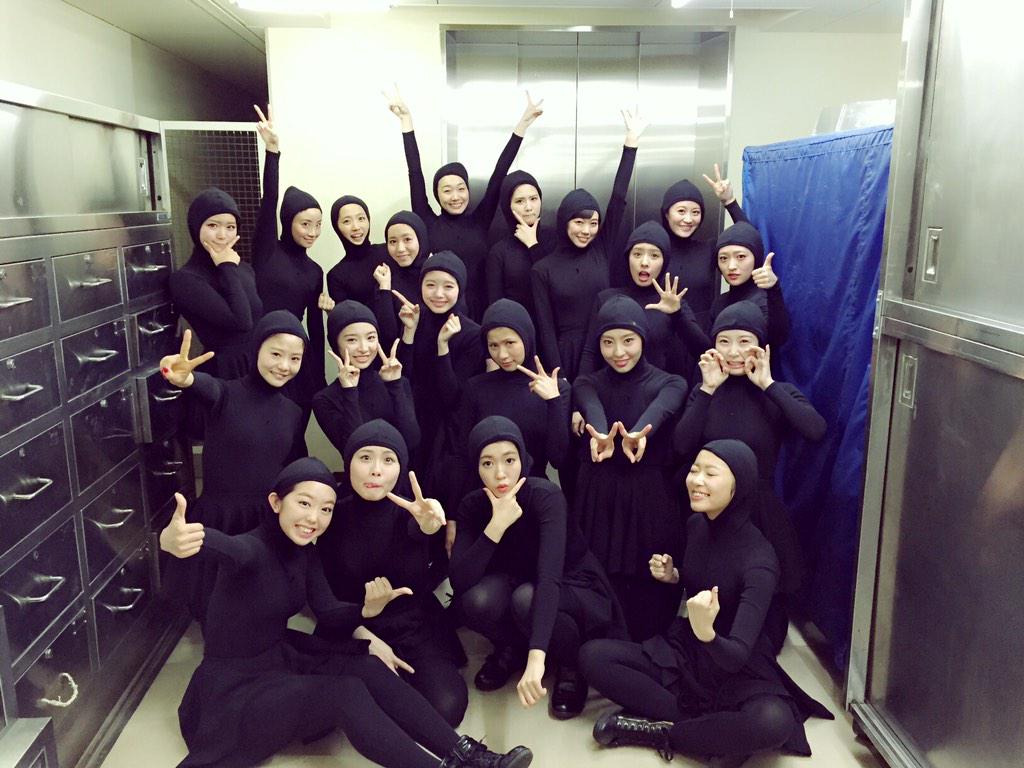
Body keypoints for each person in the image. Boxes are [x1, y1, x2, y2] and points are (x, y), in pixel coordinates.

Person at [160, 457, 533, 768]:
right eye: (304, 503)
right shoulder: (250, 549)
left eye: (325, 509)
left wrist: (366, 610)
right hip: (232, 696)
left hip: (279, 661)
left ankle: (468, 755)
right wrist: (171, 539)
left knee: (366, 665)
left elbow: (329, 613)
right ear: (276, 502)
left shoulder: (304, 552)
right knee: (344, 693)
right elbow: (215, 545)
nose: (314, 518)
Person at [579, 440, 832, 765]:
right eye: (694, 470)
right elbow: (712, 576)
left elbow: (737, 655)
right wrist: (675, 576)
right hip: (689, 652)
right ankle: (712, 732)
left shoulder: (760, 560)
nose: (696, 480)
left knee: (773, 721)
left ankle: (659, 733)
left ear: (738, 487)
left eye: (710, 474)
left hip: (738, 664)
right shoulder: (696, 525)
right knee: (592, 656)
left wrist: (707, 633)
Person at [672, 301, 826, 652]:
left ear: (761, 346)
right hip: (711, 515)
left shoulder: (773, 391)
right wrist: (707, 390)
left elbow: (815, 430)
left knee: (763, 637)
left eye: (744, 341)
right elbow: (681, 445)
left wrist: (768, 384)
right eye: (724, 342)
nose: (734, 352)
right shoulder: (704, 390)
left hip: (760, 516)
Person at [449, 416, 627, 720]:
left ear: (522, 458)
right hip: (517, 579)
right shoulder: (472, 505)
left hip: (570, 582)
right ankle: (512, 647)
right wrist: (496, 527)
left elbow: (549, 578)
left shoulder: (545, 496)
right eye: (488, 463)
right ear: (476, 467)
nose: (500, 473)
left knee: (526, 599)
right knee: (476, 601)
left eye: (509, 460)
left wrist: (537, 659)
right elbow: (460, 581)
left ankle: (569, 664)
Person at [158, 310, 308, 624]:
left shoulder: (293, 412)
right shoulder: (225, 394)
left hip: (263, 520)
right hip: (220, 517)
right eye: (276, 354)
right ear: (257, 350)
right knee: (213, 606)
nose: (284, 365)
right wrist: (182, 377)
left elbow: (291, 465)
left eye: (294, 358)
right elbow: (198, 383)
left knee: (258, 605)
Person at [316, 420, 467, 726]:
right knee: (339, 711)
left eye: (388, 460)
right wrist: (362, 633)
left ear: (401, 468)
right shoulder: (330, 516)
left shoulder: (414, 514)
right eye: (365, 458)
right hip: (353, 625)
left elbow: (426, 539)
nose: (376, 470)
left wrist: (430, 528)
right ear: (349, 462)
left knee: (447, 707)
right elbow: (323, 596)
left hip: (412, 624)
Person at [572, 295, 687, 641]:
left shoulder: (671, 382)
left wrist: (638, 433)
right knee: (599, 578)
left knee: (647, 586)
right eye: (608, 342)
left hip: (649, 497)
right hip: (599, 495)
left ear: (643, 339)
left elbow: (662, 408)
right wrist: (601, 434)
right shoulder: (587, 382)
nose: (618, 351)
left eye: (628, 340)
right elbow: (591, 405)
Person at [385, 87, 545, 320]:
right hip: (440, 311)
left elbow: (499, 173)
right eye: (447, 190)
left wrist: (522, 125)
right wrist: (406, 121)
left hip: (481, 311)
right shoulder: (427, 222)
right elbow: (415, 173)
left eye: (461, 188)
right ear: (437, 195)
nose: (455, 196)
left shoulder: (480, 220)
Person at [530, 109, 646, 384]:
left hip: (608, 349)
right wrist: (559, 375)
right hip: (566, 356)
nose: (587, 230)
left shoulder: (601, 250)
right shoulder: (542, 269)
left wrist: (630, 144)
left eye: (593, 223)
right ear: (564, 222)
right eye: (579, 222)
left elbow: (618, 200)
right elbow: (545, 329)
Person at [249, 105, 327, 443]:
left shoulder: (315, 270)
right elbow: (269, 201)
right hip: (263, 354)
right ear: (288, 222)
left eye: (318, 225)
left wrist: (318, 377)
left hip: (299, 361)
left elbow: (315, 327)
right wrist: (273, 151)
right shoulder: (268, 249)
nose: (312, 232)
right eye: (305, 223)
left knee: (295, 438)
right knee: (263, 438)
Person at [452, 298, 570, 499]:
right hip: (488, 496)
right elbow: (465, 456)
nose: (502, 354)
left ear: (527, 338)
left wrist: (553, 401)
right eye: (493, 345)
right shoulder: (476, 388)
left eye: (510, 343)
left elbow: (558, 459)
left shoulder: (556, 387)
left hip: (535, 495)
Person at [582, 220, 704, 378]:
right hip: (612, 389)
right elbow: (590, 354)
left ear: (664, 261)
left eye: (654, 255)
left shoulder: (673, 302)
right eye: (637, 254)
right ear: (628, 257)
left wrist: (677, 314)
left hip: (661, 390)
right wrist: (582, 389)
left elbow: (703, 351)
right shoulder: (606, 299)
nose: (644, 262)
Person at [168, 187, 262, 380]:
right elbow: (241, 322)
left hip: (258, 368)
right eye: (212, 225)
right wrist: (226, 266)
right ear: (196, 227)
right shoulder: (185, 279)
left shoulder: (243, 269)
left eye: (230, 227)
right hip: (224, 375)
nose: (222, 235)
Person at [312, 300, 420, 456]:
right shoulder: (324, 399)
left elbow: (412, 441)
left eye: (370, 338)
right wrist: (349, 391)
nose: (363, 348)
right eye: (352, 340)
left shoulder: (397, 382)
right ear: (335, 344)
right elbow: (354, 449)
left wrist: (395, 385)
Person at [660, 165, 749, 330]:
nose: (688, 219)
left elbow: (749, 239)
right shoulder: (652, 251)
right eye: (681, 211)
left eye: (695, 212)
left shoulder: (709, 249)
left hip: (701, 337)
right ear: (666, 213)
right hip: (659, 336)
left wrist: (729, 202)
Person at [709, 221, 790, 351]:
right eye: (723, 258)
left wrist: (774, 289)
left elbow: (778, 337)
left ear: (756, 258)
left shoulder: (765, 301)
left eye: (740, 256)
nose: (731, 266)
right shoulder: (720, 302)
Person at [485, 170, 549, 315]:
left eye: (533, 199)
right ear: (508, 206)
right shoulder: (499, 252)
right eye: (520, 201)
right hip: (513, 326)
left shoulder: (555, 240)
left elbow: (555, 288)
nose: (529, 207)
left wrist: (533, 245)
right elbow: (496, 306)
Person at [372, 210, 431, 348]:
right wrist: (385, 289)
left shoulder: (438, 274)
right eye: (393, 241)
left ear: (421, 238)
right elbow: (387, 339)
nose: (400, 249)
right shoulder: (386, 281)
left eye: (407, 239)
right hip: (403, 357)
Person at [326, 194, 389, 307]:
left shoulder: (388, 251)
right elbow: (347, 316)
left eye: (361, 218)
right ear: (337, 227)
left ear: (368, 220)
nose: (356, 227)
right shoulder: (336, 276)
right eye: (347, 221)